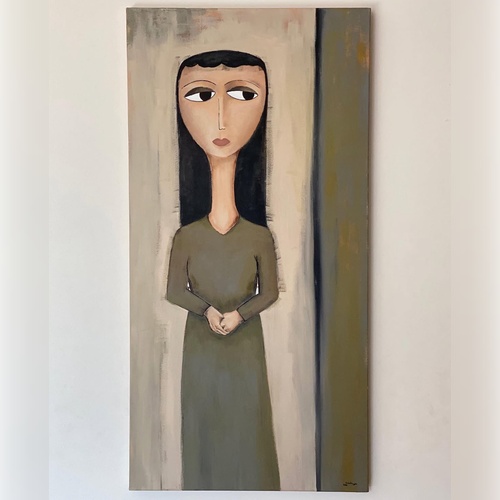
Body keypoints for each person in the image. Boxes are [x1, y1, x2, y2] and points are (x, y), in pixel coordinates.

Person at [165, 50, 281, 491]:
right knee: (204, 430)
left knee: (248, 430)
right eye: (200, 95)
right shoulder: (186, 236)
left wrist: (239, 315)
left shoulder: (259, 236)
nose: (220, 117)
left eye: (242, 94)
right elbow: (174, 291)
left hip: (246, 346)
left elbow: (269, 292)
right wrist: (209, 311)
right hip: (201, 346)